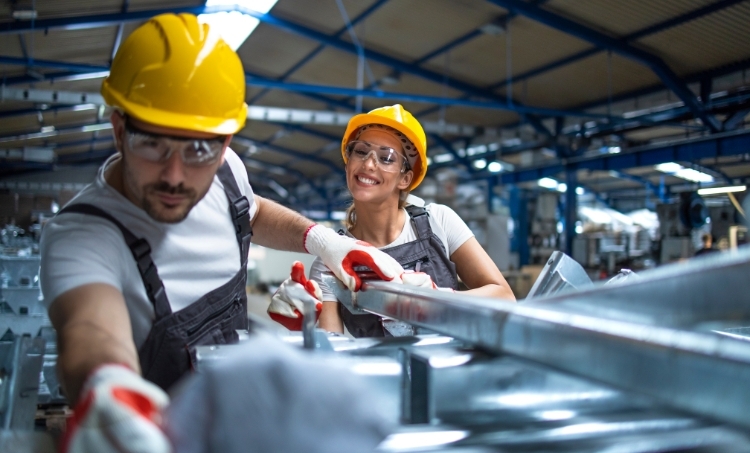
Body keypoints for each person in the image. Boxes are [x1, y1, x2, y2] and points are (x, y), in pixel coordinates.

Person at [40, 14, 404, 453]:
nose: (175, 175)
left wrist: (324, 241)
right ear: (119, 131)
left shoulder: (225, 170)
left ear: (224, 143)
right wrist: (108, 386)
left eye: (198, 149)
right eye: (152, 144)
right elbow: (91, 328)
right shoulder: (82, 235)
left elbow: (251, 212)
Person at [268, 105, 515, 337]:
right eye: (361, 151)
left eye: (386, 157)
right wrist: (310, 324)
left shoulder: (439, 222)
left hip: (446, 373)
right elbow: (332, 354)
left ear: (404, 179)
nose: (368, 163)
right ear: (347, 165)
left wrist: (438, 298)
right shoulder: (333, 258)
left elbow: (504, 297)